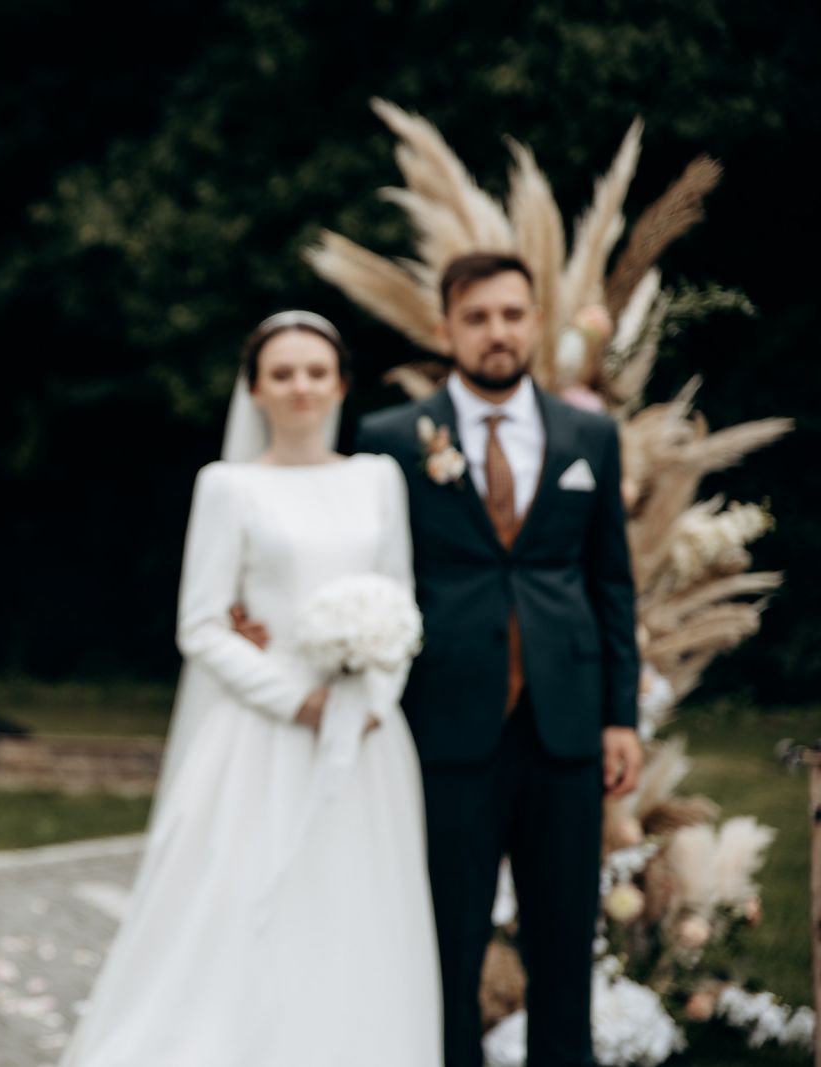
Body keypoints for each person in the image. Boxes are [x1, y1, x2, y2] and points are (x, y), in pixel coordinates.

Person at [60, 311, 442, 1066]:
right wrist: (297, 700)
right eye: (283, 373)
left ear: (340, 384)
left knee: (360, 902)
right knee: (243, 907)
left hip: (368, 734)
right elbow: (201, 626)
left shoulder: (377, 478)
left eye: (316, 371)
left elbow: (400, 600)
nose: (301, 386)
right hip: (264, 730)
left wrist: (374, 697)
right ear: (257, 389)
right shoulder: (228, 486)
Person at [356, 253, 643, 1067]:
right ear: (445, 329)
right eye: (477, 317)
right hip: (445, 724)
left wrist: (620, 714)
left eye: (512, 314)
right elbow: (359, 565)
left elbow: (612, 582)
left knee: (564, 939)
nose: (497, 332)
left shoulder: (589, 435)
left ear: (536, 322)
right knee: (445, 941)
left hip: (566, 724)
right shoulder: (389, 440)